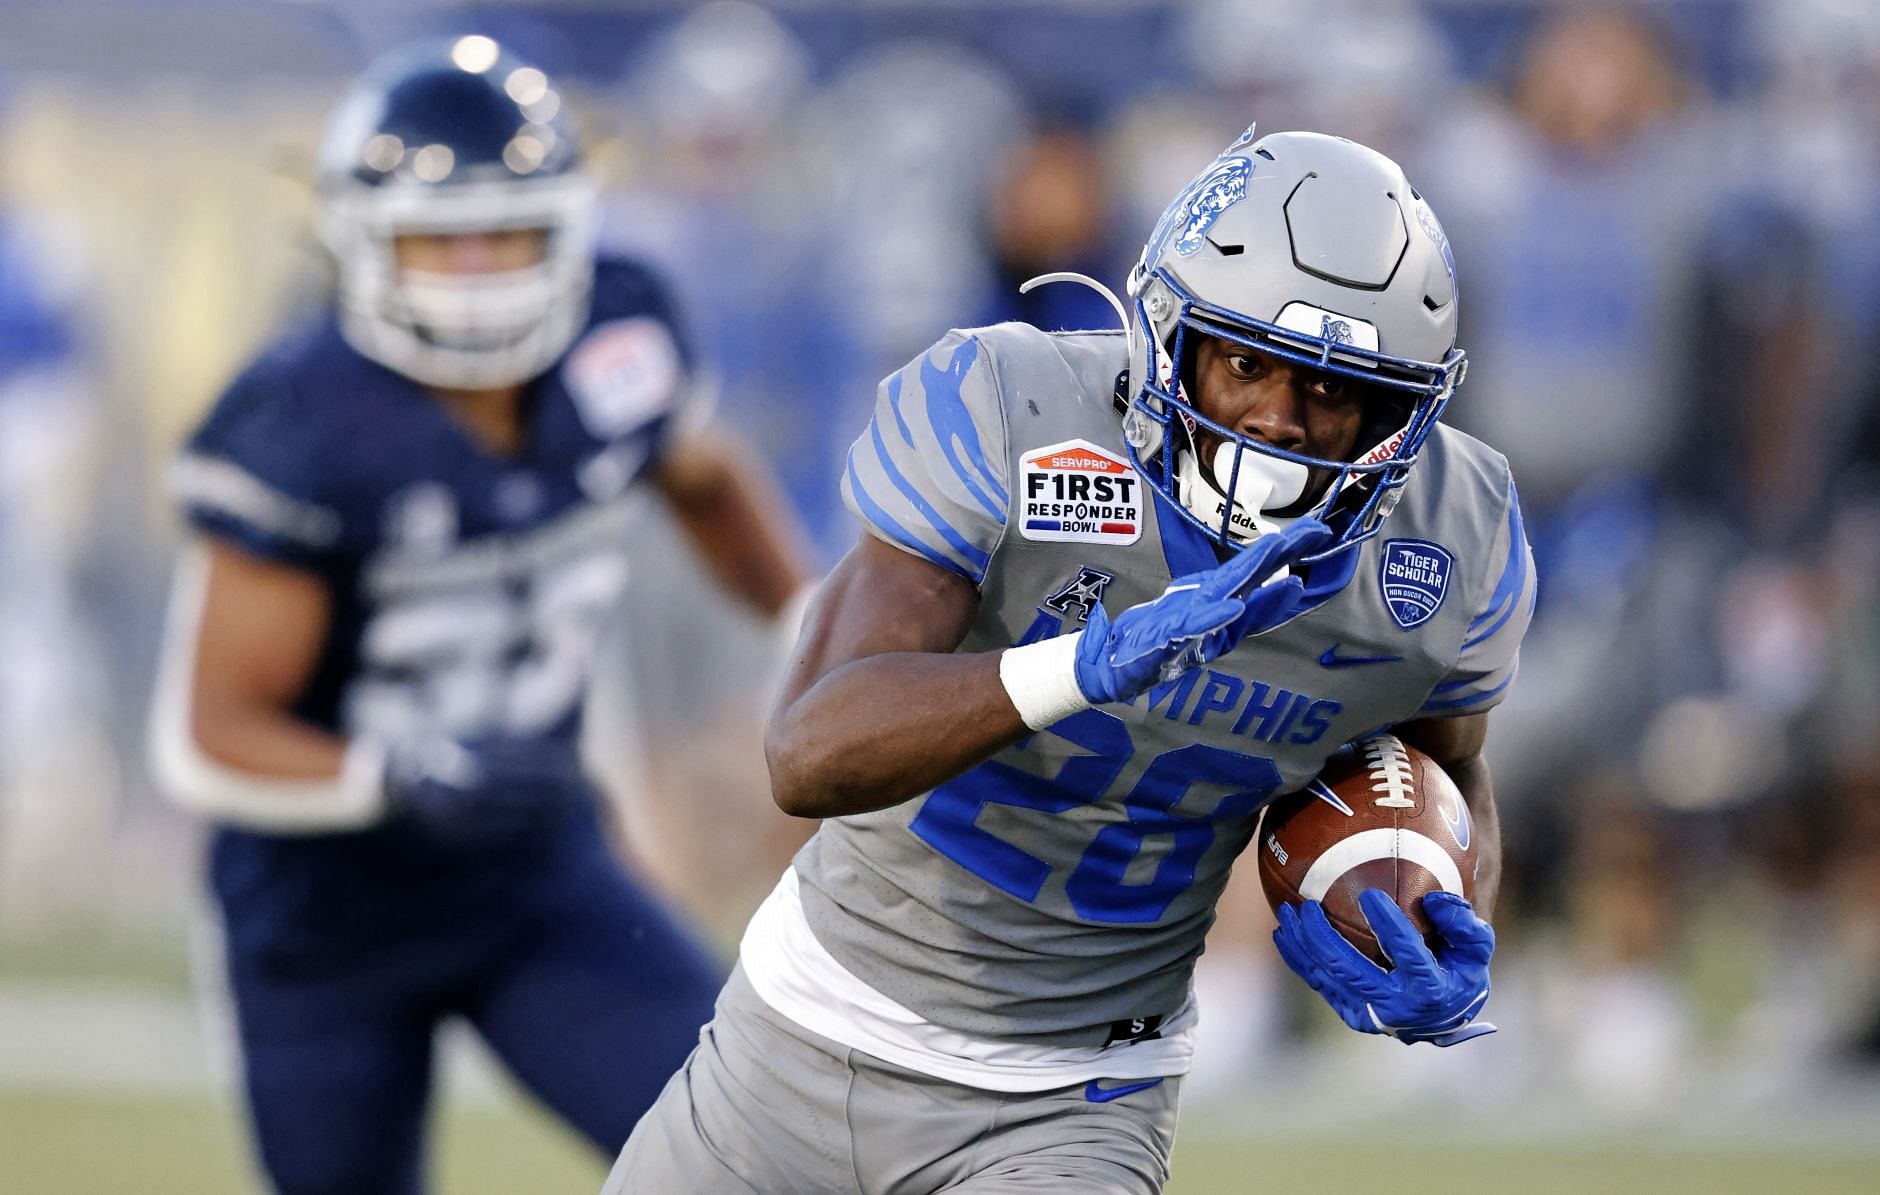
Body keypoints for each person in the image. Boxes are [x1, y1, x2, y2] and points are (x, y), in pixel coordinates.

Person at [607, 127, 1534, 1194]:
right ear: (1169, 333)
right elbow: (810, 748)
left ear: (1400, 411)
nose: (1279, 422)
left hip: (1075, 1100)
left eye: (1334, 390)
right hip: (800, 1041)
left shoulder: (1446, 546)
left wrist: (1439, 913)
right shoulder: (1014, 410)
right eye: (1245, 363)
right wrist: (1080, 670)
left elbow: (1445, 771)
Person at [146, 37, 810, 1195]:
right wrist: (397, 776)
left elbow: (701, 477)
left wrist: (809, 617)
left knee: (757, 1164)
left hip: (528, 870)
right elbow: (204, 734)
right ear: (357, 244)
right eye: (435, 240)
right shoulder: (302, 424)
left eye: (503, 231)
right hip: (324, 913)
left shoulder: (621, 335)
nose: (473, 270)